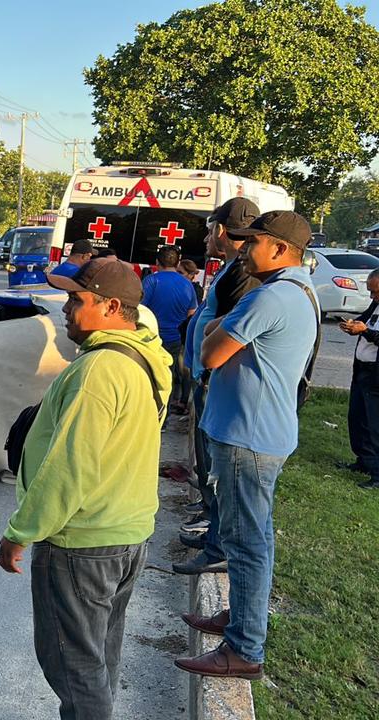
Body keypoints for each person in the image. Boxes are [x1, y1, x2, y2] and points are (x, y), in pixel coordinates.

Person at [0, 257, 172, 720]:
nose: (66, 309)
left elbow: (69, 467)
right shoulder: (145, 357)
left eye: (77, 299)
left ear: (112, 306)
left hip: (82, 544)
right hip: (126, 534)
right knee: (97, 661)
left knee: (74, 669)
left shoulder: (98, 371)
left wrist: (20, 532)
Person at [175, 210, 318, 681]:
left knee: (247, 542)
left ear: (279, 248)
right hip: (255, 432)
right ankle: (239, 621)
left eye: (253, 242)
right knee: (249, 539)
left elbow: (209, 351)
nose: (244, 249)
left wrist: (214, 325)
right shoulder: (292, 291)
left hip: (247, 437)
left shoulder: (271, 296)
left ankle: (243, 648)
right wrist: (218, 327)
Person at [173, 198, 262, 574]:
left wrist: (207, 367)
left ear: (222, 231)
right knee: (207, 457)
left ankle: (217, 541)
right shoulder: (229, 267)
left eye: (210, 229)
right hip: (203, 375)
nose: (207, 236)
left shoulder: (244, 272)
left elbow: (233, 328)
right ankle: (211, 522)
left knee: (219, 466)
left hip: (215, 381)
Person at [142, 246, 197, 413]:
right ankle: (163, 416)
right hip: (175, 339)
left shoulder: (151, 281)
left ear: (157, 262)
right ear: (177, 262)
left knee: (149, 377)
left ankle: (149, 413)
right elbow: (191, 313)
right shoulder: (188, 285)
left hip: (151, 338)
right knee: (169, 377)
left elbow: (140, 309)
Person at [339, 268, 379, 489]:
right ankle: (362, 461)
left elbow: (371, 333)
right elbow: (365, 320)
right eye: (370, 292)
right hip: (362, 370)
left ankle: (377, 474)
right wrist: (352, 324)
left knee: (374, 425)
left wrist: (365, 332)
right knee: (358, 418)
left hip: (376, 377)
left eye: (375, 292)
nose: (372, 297)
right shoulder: (375, 304)